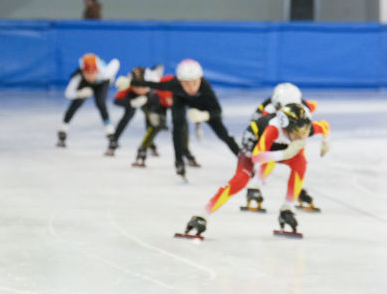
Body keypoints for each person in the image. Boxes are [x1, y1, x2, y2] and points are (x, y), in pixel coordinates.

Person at [179, 103, 316, 238]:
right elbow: (257, 157)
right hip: (255, 144)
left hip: (275, 147)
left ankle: (287, 208)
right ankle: (203, 214)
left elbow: (324, 126)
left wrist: (325, 141)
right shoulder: (273, 129)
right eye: (297, 132)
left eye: (305, 130)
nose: (302, 136)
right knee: (242, 178)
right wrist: (285, 154)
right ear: (285, 129)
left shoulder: (303, 128)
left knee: (300, 162)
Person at [129, 58, 241, 179]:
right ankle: (179, 162)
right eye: (186, 83)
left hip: (203, 106)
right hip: (181, 100)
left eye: (194, 82)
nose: (191, 87)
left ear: (200, 79)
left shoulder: (205, 87)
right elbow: (154, 84)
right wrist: (129, 82)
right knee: (178, 126)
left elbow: (217, 111)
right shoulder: (174, 84)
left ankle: (243, 160)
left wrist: (204, 115)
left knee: (223, 134)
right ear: (180, 81)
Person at [244, 82, 329, 212]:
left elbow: (321, 123)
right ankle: (255, 185)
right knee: (270, 152)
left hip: (289, 135)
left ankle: (296, 189)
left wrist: (325, 141)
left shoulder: (304, 113)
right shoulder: (268, 111)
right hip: (273, 135)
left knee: (300, 158)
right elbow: (259, 146)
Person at [57, 53, 120, 149]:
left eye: (93, 73)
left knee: (101, 104)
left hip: (102, 83)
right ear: (83, 72)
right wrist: (80, 93)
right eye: (87, 74)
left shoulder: (106, 73)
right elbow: (68, 93)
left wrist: (111, 78)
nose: (90, 77)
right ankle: (62, 130)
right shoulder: (78, 76)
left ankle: (110, 132)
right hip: (85, 85)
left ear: (97, 71)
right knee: (76, 103)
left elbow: (116, 62)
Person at [106, 64, 168, 159]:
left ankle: (151, 144)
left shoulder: (155, 83)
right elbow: (116, 100)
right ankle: (114, 141)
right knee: (128, 115)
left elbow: (165, 101)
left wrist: (162, 119)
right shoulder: (127, 85)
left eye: (142, 87)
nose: (139, 90)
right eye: (136, 87)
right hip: (132, 97)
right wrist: (131, 103)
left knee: (150, 118)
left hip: (149, 96)